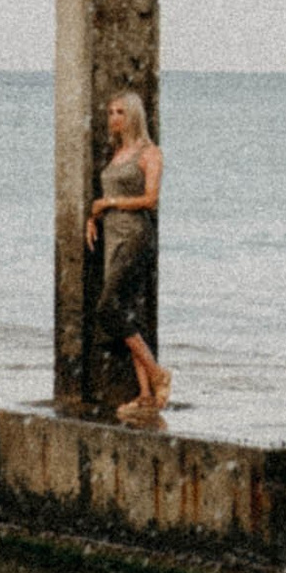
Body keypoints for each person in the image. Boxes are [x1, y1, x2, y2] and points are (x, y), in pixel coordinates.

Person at [87, 92, 168, 423]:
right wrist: (93, 219)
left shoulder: (150, 153)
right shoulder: (117, 153)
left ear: (134, 116)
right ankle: (146, 395)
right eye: (110, 112)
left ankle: (158, 372)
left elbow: (150, 199)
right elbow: (105, 198)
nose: (113, 118)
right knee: (128, 312)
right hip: (112, 236)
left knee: (108, 307)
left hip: (135, 236)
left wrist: (109, 204)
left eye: (120, 112)